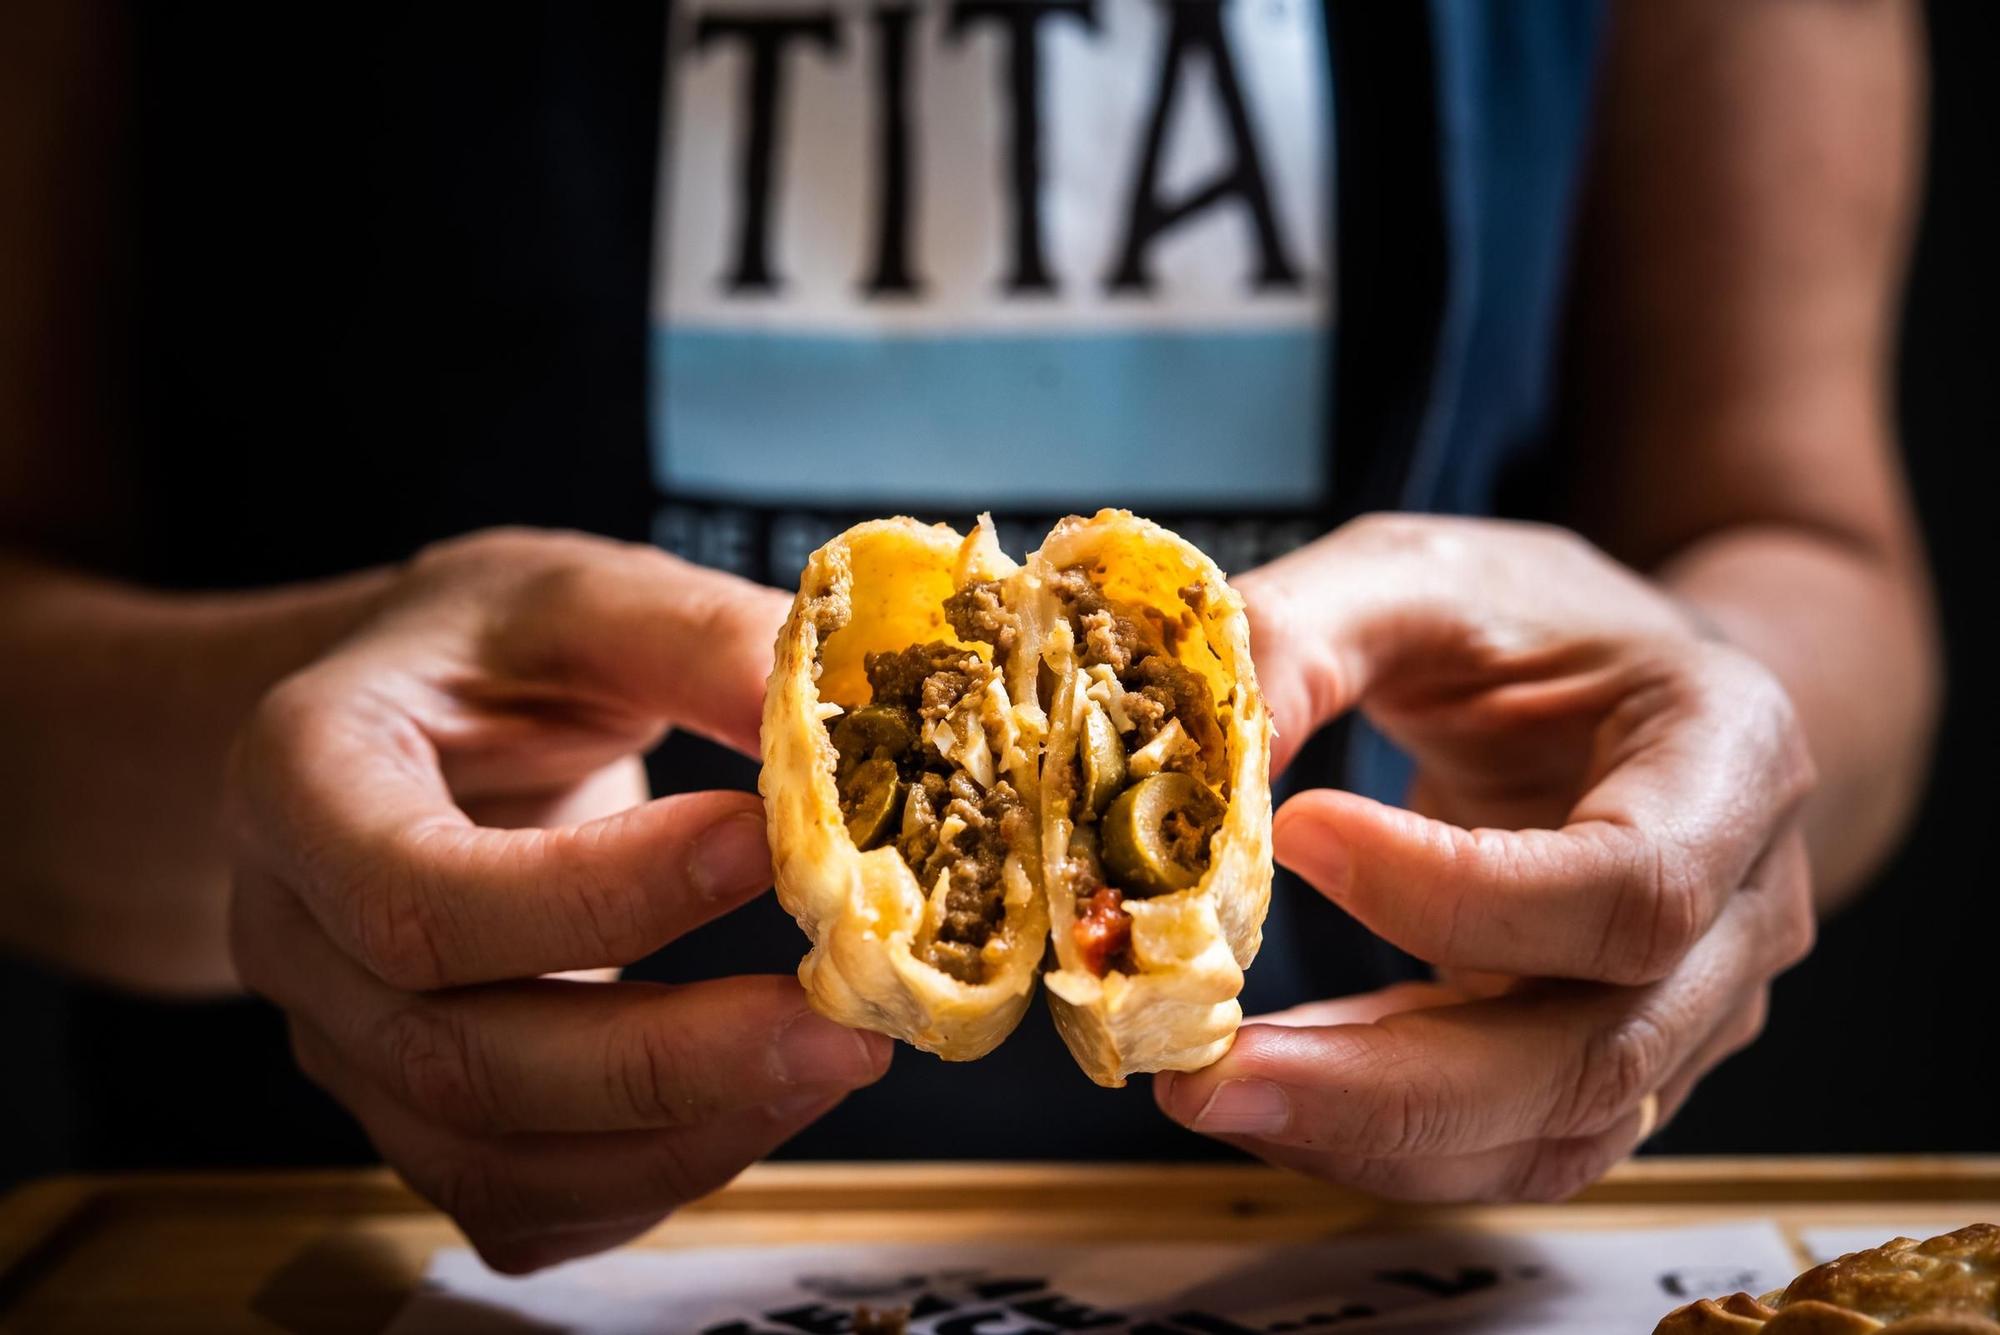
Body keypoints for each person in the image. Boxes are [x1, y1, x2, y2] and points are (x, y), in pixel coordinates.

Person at [1, 0, 1938, 1276]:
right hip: (371, 1253)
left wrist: (1711, 771)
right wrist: (257, 803)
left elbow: (1805, 541)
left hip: (1405, 1277)